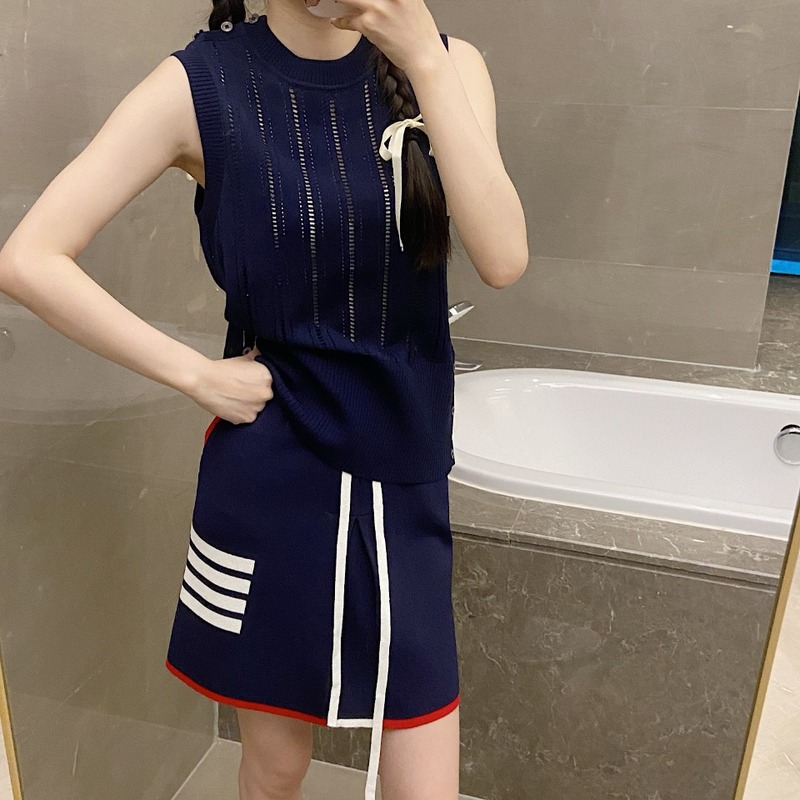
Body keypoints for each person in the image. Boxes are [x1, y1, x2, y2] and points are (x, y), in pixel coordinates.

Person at [0, 0, 527, 798]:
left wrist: (423, 54)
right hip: (275, 472)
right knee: (276, 766)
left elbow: (503, 258)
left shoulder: (449, 64)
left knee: (424, 782)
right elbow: (29, 257)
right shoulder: (200, 84)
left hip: (404, 469)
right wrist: (194, 373)